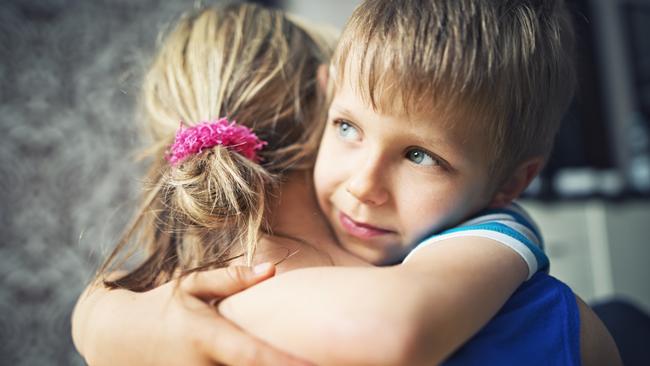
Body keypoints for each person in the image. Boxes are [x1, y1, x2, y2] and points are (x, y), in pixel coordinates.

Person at [72, 1, 621, 365]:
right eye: (347, 127)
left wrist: (141, 325)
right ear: (325, 97)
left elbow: (390, 328)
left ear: (509, 183)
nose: (364, 185)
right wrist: (108, 319)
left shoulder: (490, 233)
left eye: (419, 155)